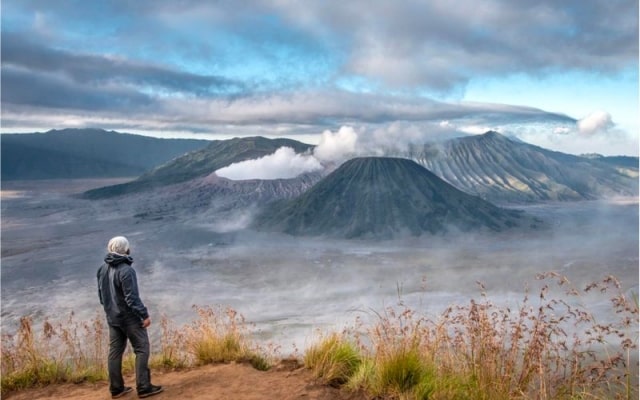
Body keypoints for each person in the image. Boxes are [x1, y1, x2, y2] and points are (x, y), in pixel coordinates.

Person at [97, 236, 163, 399]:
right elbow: (131, 298)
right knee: (142, 349)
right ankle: (144, 387)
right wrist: (144, 315)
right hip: (129, 318)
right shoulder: (126, 270)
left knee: (115, 352)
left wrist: (109, 311)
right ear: (125, 250)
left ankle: (116, 389)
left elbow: (101, 296)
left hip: (112, 318)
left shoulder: (102, 269)